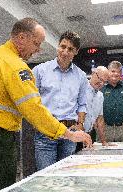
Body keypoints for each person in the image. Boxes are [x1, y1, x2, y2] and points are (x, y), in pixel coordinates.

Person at [0, 18, 92, 192]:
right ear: (22, 37)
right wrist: (68, 134)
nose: (38, 49)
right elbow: (33, 109)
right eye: (36, 43)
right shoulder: (16, 66)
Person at [32, 31, 88, 171]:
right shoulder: (40, 70)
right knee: (45, 176)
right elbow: (32, 102)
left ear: (76, 52)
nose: (65, 52)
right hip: (46, 132)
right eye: (62, 46)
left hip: (70, 133)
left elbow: (82, 104)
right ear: (58, 46)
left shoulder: (81, 76)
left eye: (70, 49)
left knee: (65, 176)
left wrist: (80, 124)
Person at [83, 66, 110, 147]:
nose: (101, 83)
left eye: (104, 82)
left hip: (88, 135)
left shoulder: (100, 96)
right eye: (100, 79)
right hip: (74, 135)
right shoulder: (80, 89)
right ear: (93, 74)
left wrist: (104, 142)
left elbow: (100, 119)